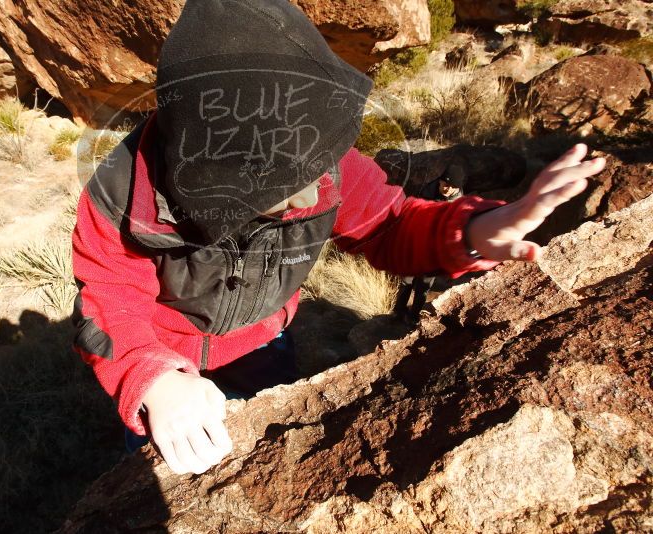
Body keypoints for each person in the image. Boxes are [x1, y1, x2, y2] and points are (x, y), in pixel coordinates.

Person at [70, 0, 606, 476]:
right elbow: (109, 298)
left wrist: (478, 230)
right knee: (157, 470)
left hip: (266, 342)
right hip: (164, 353)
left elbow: (391, 224)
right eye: (279, 188)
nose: (311, 197)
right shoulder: (122, 192)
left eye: (313, 170)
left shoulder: (328, 161)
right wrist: (155, 382)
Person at [393, 166, 464, 325]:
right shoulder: (426, 194)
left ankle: (413, 316)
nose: (448, 189)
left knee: (423, 286)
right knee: (406, 281)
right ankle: (398, 312)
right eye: (445, 184)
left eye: (453, 187)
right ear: (439, 181)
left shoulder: (460, 206)